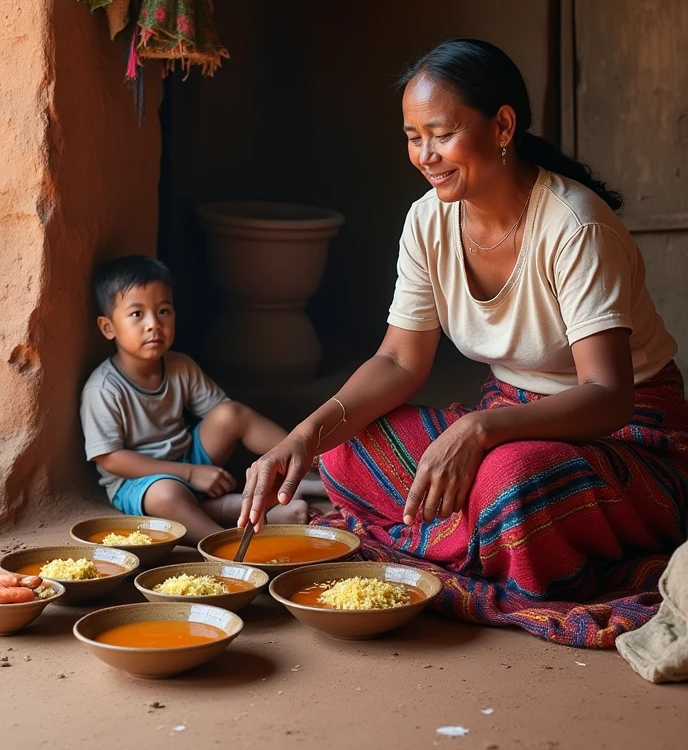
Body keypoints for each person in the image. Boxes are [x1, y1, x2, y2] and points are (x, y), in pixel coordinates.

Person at [239, 38, 688, 647]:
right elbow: (399, 359)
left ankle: (476, 531)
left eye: (441, 134)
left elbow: (608, 396)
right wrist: (301, 437)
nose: (425, 155)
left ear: (502, 125)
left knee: (509, 483)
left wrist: (477, 431)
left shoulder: (575, 227)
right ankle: (482, 535)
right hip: (509, 418)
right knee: (346, 446)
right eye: (412, 136)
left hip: (628, 435)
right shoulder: (427, 222)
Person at [80, 255, 324, 546]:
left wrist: (194, 468)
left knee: (231, 414)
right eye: (137, 314)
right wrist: (189, 473)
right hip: (140, 482)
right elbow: (110, 458)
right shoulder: (103, 388)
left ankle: (310, 468)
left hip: (188, 461)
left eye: (163, 311)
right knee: (169, 495)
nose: (153, 324)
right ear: (108, 327)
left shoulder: (179, 365)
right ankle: (224, 543)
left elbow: (220, 415)